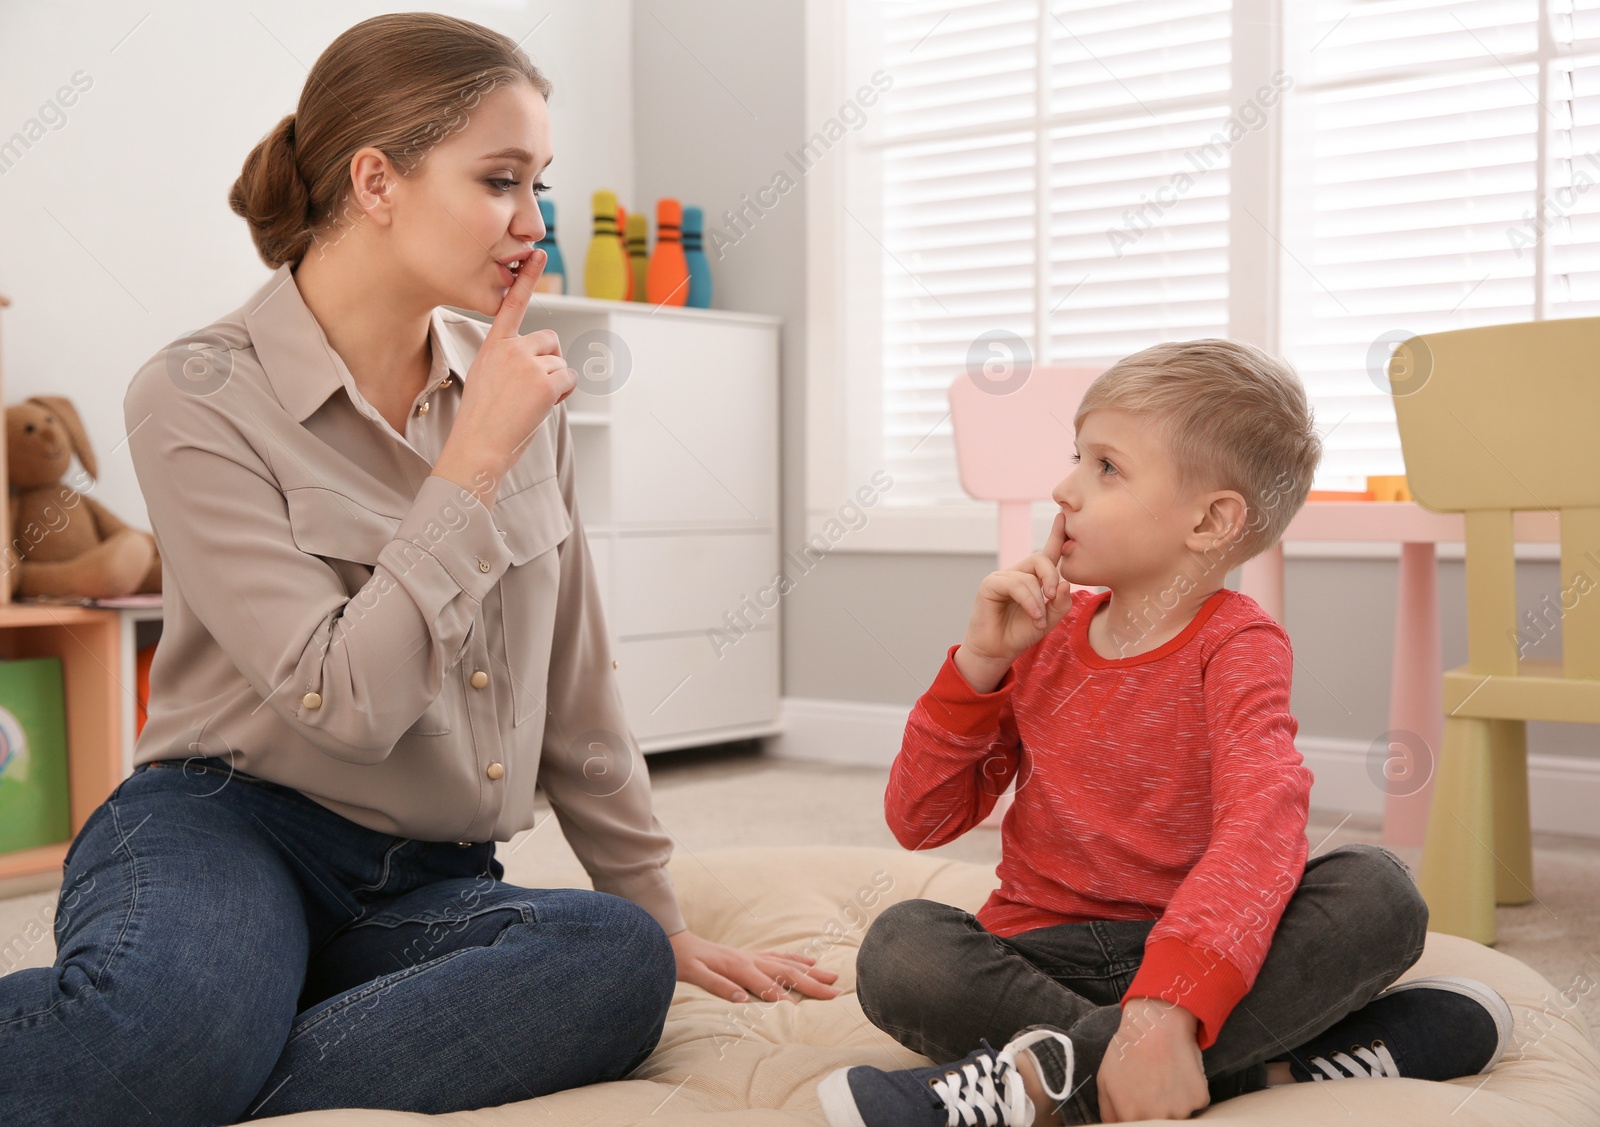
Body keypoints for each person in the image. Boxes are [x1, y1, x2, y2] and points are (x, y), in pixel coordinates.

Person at [0, 13, 837, 1125]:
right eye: (500, 180)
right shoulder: (197, 392)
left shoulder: (513, 393)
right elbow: (343, 702)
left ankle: (222, 1044)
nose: (532, 223)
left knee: (617, 959)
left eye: (541, 183)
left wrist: (659, 911)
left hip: (432, 877)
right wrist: (473, 463)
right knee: (156, 1039)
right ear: (376, 180)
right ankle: (191, 1032)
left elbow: (577, 678)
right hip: (231, 824)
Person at [817, 340, 1512, 1126]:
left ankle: (1052, 1075)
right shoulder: (1040, 635)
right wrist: (979, 665)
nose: (1064, 486)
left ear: (1211, 521)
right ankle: (1251, 1070)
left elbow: (1264, 818)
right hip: (1043, 951)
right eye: (1077, 456)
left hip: (1206, 953)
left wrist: (1170, 999)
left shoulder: (1238, 644)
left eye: (1106, 467)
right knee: (901, 947)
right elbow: (920, 819)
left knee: (1379, 890)